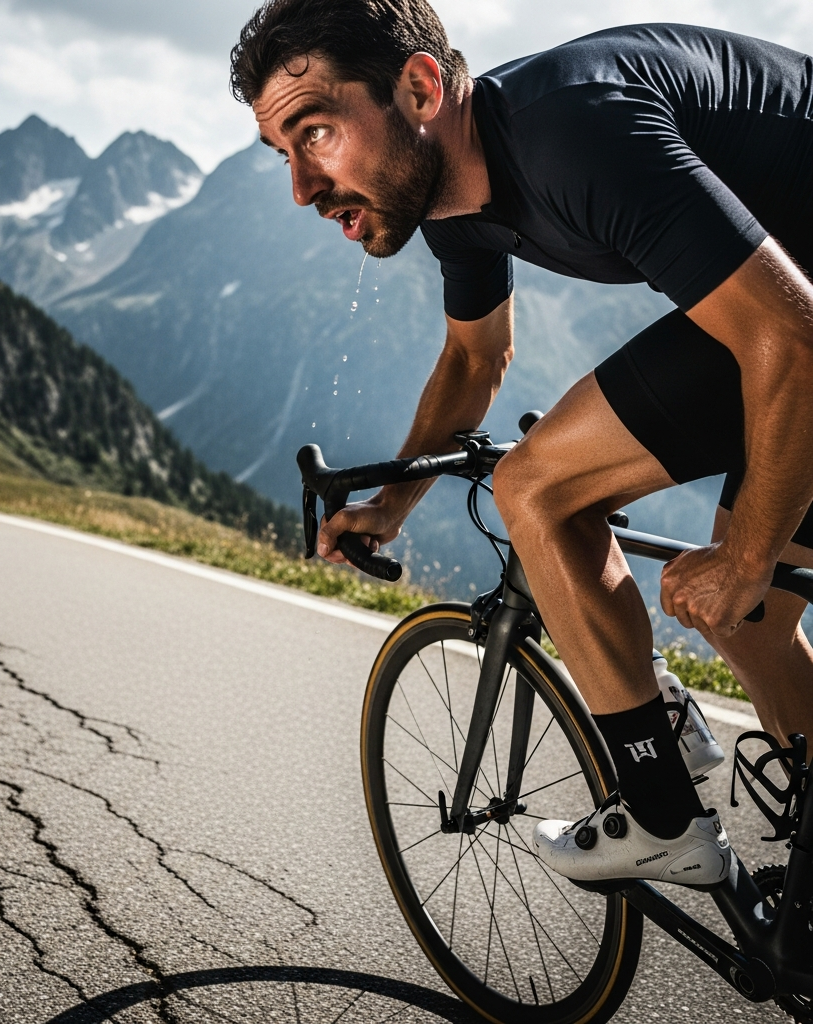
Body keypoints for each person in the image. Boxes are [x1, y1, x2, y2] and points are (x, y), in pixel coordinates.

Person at [230, 0, 813, 887]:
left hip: (800, 320)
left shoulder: (573, 137)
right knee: (760, 623)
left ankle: (661, 812)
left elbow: (795, 341)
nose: (302, 190)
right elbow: (476, 356)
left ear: (420, 88)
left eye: (315, 133)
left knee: (539, 489)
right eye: (284, 153)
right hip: (795, 300)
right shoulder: (459, 197)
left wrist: (746, 553)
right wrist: (391, 505)